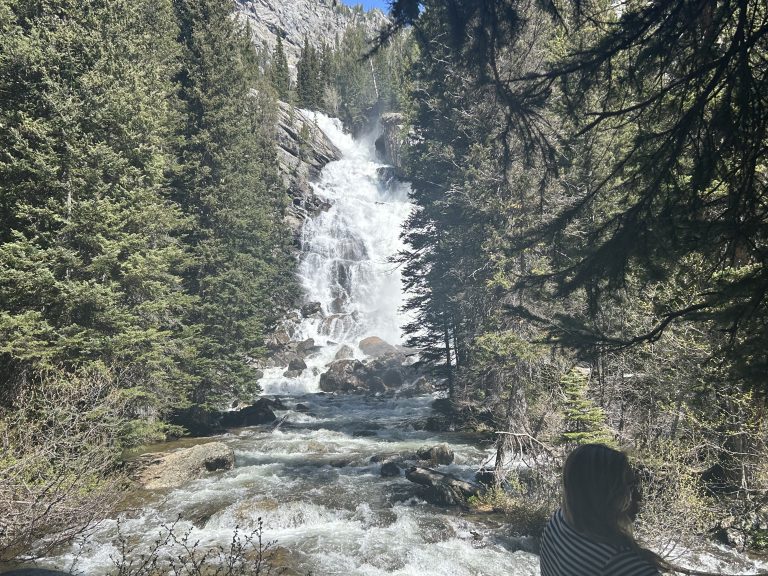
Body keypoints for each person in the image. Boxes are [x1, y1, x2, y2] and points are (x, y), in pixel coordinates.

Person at [540, 443, 663, 576]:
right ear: (603, 497)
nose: (639, 497)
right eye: (629, 488)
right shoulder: (621, 563)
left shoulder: (558, 521)